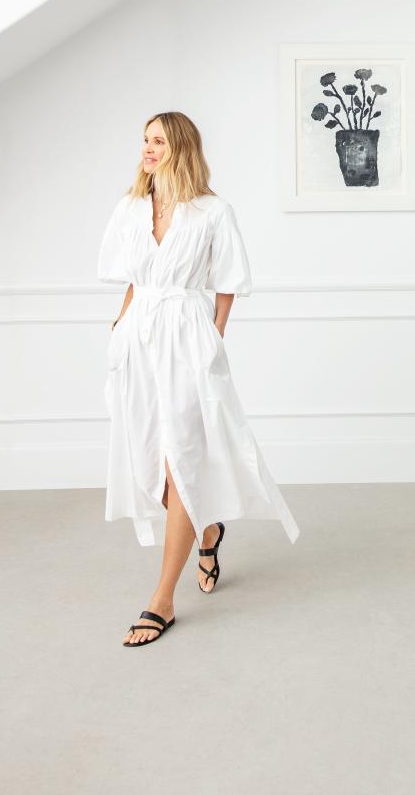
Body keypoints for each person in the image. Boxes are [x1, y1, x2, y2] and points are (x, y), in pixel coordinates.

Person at [99, 110, 300, 647]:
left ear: (181, 146)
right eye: (144, 139)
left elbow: (228, 281)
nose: (147, 148)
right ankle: (208, 531)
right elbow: (133, 282)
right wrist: (118, 330)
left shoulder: (212, 211)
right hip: (139, 340)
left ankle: (161, 599)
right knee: (152, 465)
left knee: (181, 457)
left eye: (158, 140)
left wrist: (214, 338)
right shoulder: (131, 208)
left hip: (188, 340)